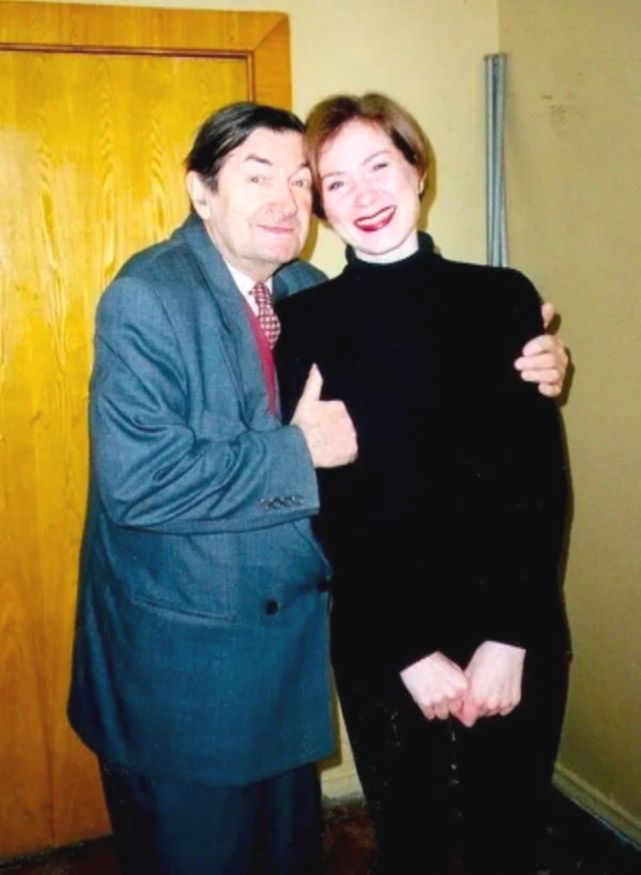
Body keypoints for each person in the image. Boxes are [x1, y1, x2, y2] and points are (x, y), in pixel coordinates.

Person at [68, 100, 567, 875]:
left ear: (417, 172)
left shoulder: (299, 290)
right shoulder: (153, 297)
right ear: (201, 191)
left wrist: (538, 358)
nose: (286, 199)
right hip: (189, 673)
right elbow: (140, 484)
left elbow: (515, 470)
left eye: (301, 180)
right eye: (258, 175)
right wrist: (300, 456)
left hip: (290, 662)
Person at [275, 93, 571, 875]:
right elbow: (329, 505)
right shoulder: (305, 321)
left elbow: (538, 484)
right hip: (383, 638)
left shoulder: (501, 295)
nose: (364, 196)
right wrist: (408, 651)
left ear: (416, 168)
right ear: (320, 206)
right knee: (412, 846)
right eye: (336, 182)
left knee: (507, 841)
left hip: (512, 624)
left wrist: (508, 638)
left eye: (379, 166)